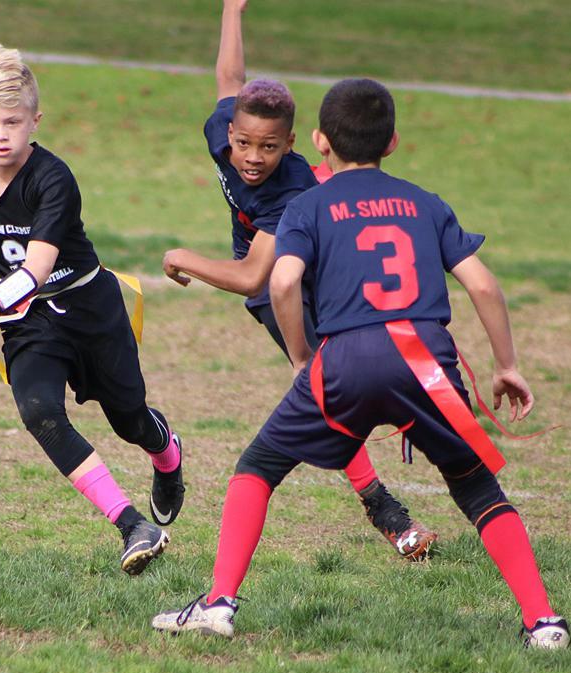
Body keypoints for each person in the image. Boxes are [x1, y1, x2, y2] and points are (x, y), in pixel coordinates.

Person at [152, 78, 569, 649]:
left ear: (319, 141)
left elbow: (282, 281)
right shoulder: (426, 202)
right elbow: (484, 285)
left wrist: (303, 355)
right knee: (477, 489)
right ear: (392, 142)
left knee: (257, 467)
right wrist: (507, 365)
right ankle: (543, 622)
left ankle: (219, 603)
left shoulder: (305, 204)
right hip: (426, 360)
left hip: (346, 357)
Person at [160, 0, 435, 561]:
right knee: (327, 392)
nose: (252, 158)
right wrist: (231, 11)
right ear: (229, 131)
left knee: (331, 388)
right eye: (243, 143)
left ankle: (397, 490)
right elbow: (229, 79)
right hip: (281, 287)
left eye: (268, 147)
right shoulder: (225, 131)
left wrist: (182, 256)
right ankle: (388, 510)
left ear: (291, 144)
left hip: (308, 278)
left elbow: (251, 276)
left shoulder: (290, 193)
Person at [0, 43, 184, 575]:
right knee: (40, 412)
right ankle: (133, 525)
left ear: (35, 121)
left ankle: (167, 455)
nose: (2, 135)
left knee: (130, 420)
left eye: (14, 122)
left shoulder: (54, 177)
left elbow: (38, 264)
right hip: (29, 324)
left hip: (89, 309)